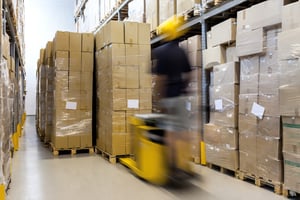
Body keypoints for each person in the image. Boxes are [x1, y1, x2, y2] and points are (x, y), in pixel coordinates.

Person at [152, 15, 192, 177]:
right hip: (181, 97)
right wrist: (183, 88)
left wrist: (158, 99)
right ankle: (184, 165)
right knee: (183, 132)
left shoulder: (160, 52)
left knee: (170, 134)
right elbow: (190, 75)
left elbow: (160, 79)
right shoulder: (182, 51)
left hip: (168, 99)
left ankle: (172, 167)